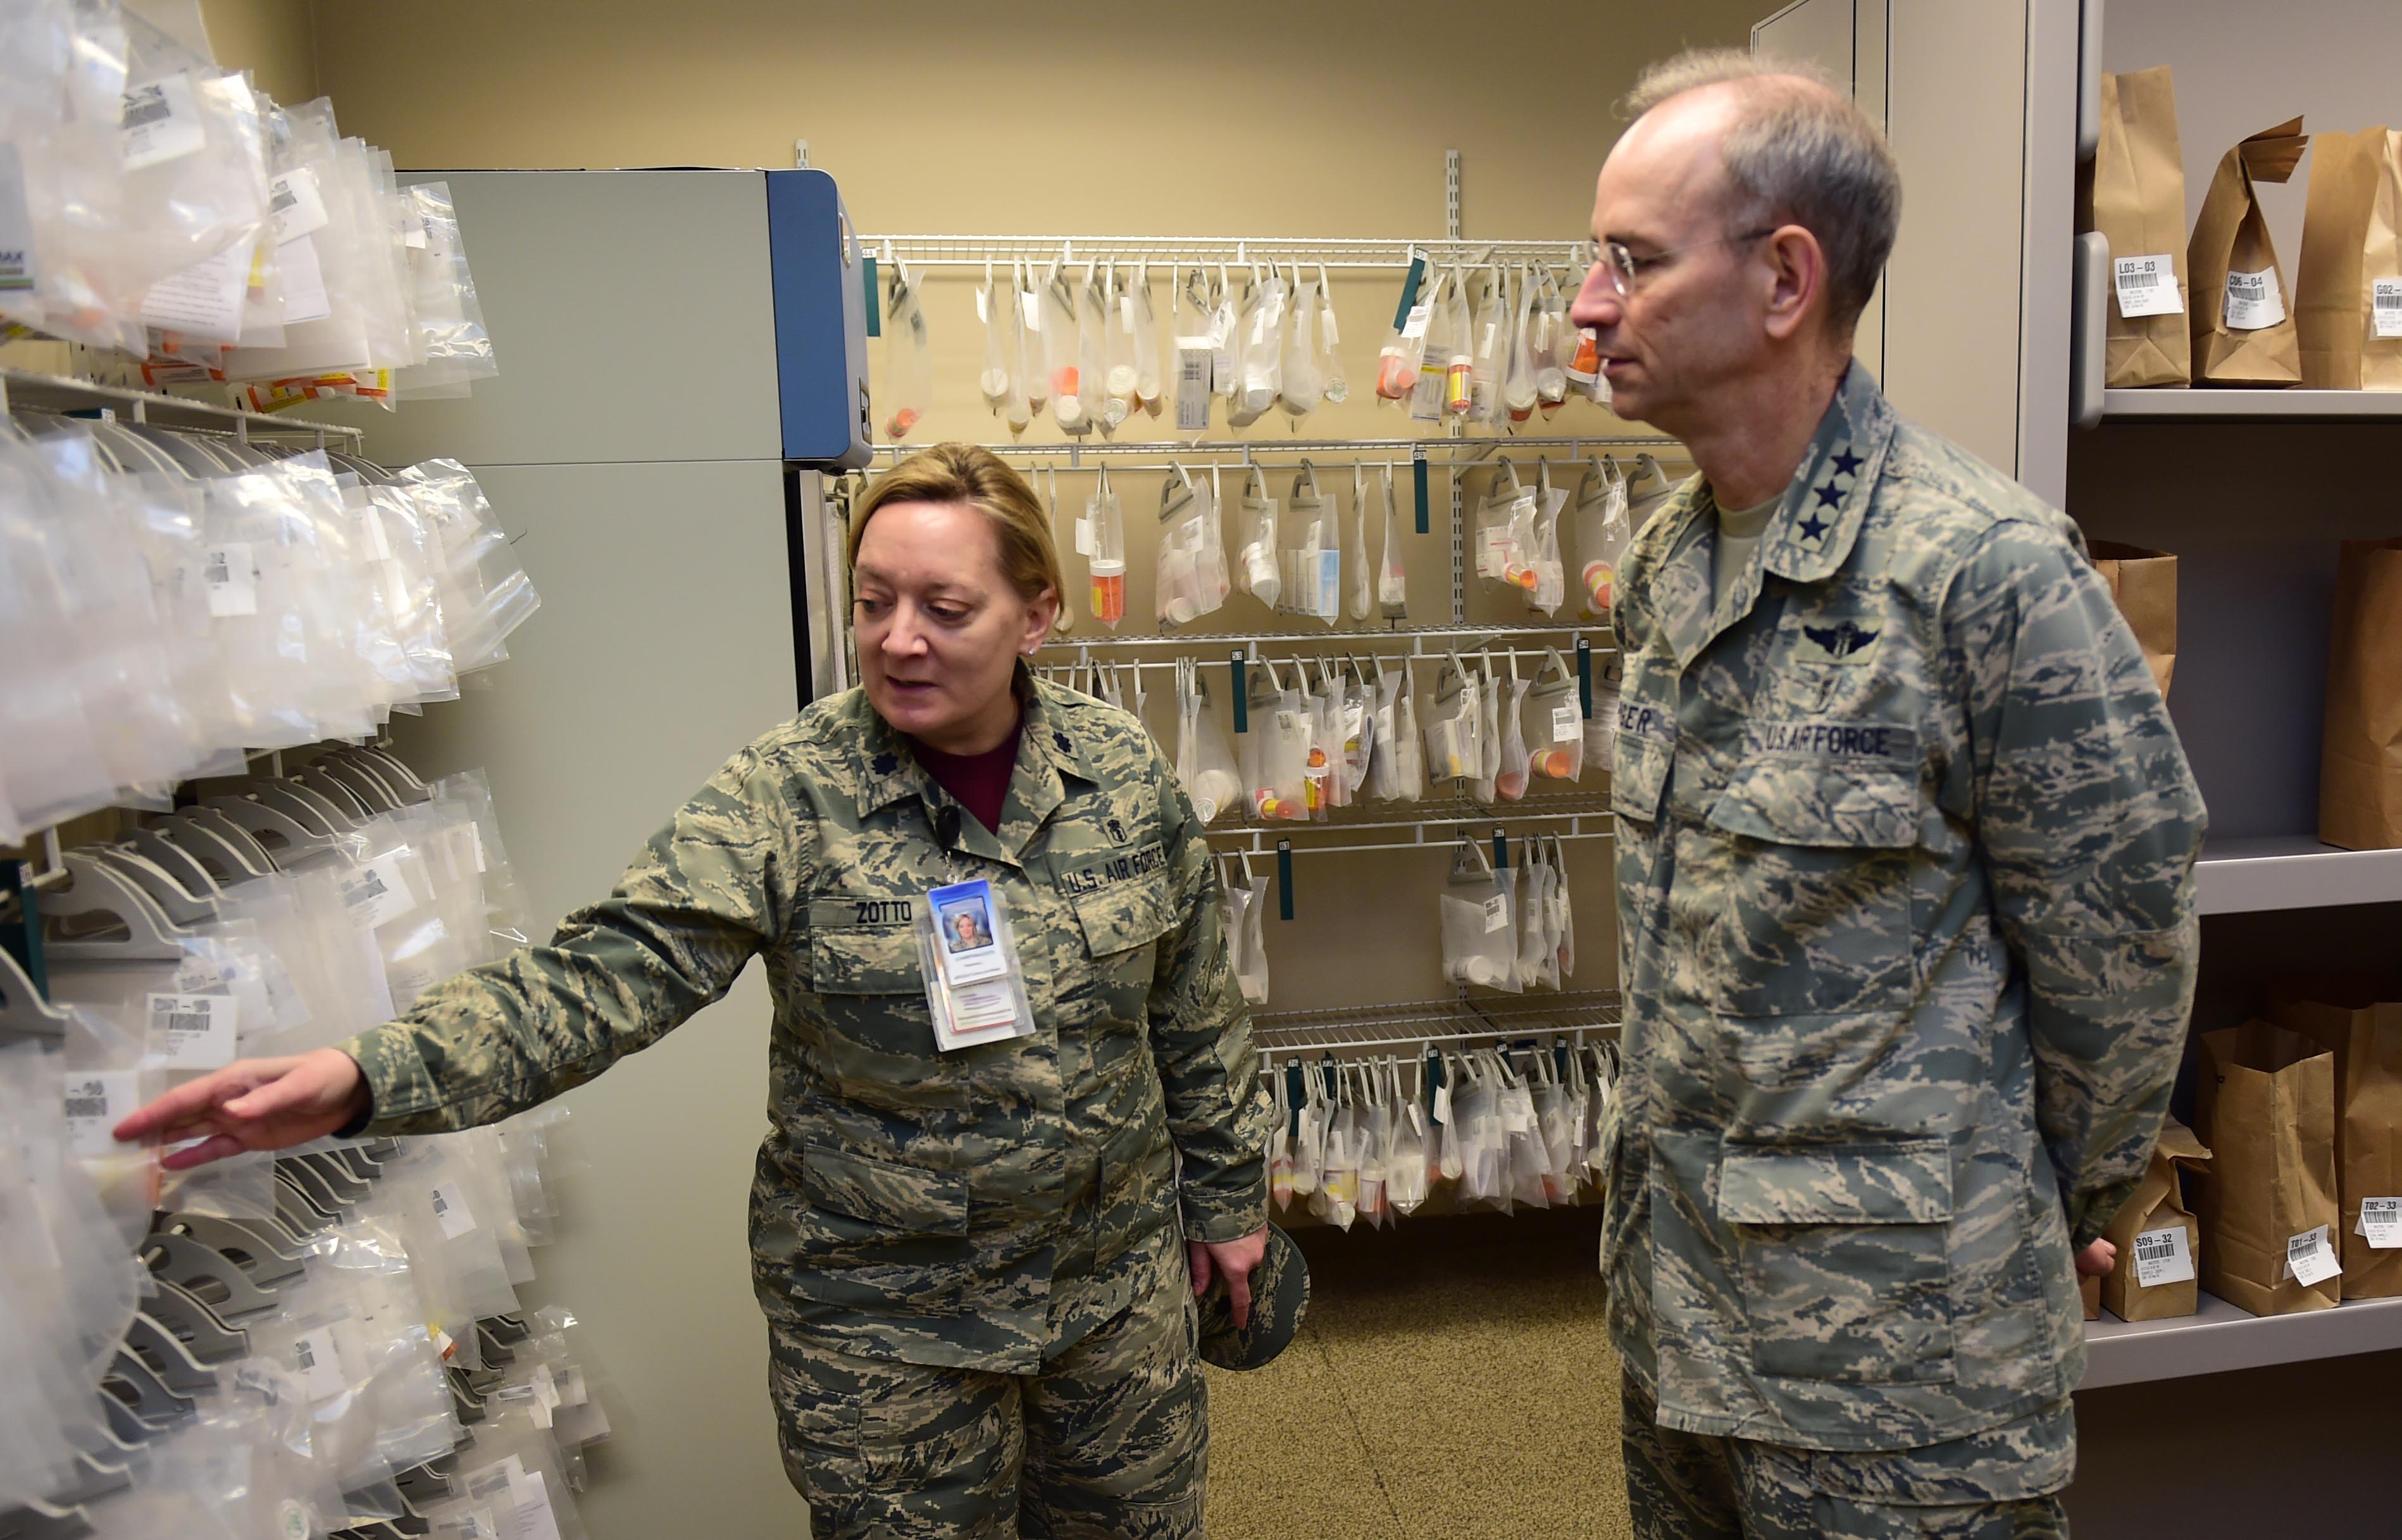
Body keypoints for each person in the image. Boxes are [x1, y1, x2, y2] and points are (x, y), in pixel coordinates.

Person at [115, 443, 1276, 1539]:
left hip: (1113, 1304)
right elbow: (596, 978)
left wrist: (1229, 1202)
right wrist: (366, 1076)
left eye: (946, 608)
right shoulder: (787, 797)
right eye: (873, 601)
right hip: (889, 1335)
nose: (898, 640)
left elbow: (1192, 1010)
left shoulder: (1118, 772)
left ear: (1037, 613)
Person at [1571, 49, 2205, 1539]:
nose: (1586, 306)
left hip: (1905, 1385)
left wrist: (2036, 1219)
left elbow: (2120, 961)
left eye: (1630, 262)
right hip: (1677, 1333)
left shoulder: (1981, 573)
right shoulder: (1666, 562)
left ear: (1785, 278)